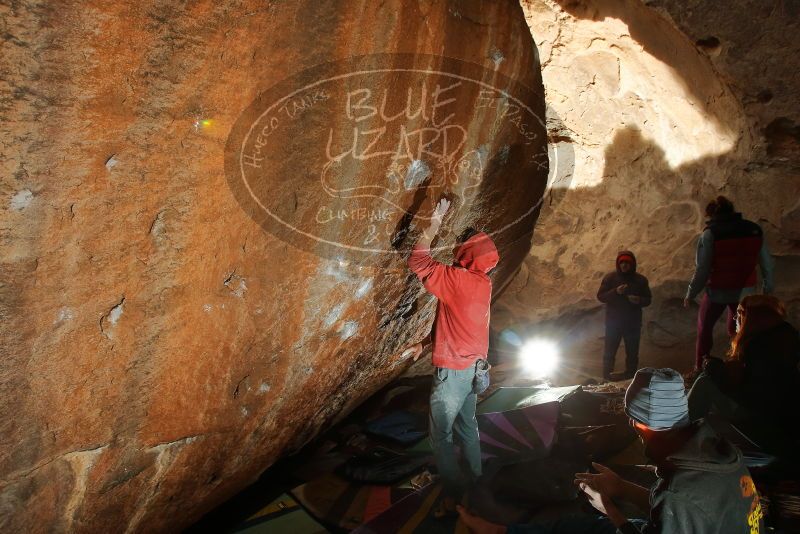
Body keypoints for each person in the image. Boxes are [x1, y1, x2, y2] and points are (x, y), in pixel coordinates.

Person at [457, 368, 765, 533]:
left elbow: (679, 506)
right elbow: (686, 512)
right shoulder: (717, 454)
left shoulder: (681, 490)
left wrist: (611, 509)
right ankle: (499, 531)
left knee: (597, 525)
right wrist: (620, 487)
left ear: (638, 424)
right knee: (580, 526)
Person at [407, 197, 500, 517]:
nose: (457, 247)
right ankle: (475, 478)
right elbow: (457, 318)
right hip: (476, 370)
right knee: (467, 425)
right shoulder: (482, 283)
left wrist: (434, 223)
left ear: (467, 253)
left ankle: (456, 491)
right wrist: (426, 343)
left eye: (461, 244)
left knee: (441, 436)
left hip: (455, 372)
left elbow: (417, 261)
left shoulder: (457, 280)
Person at [688, 295, 800, 454]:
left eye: (739, 313)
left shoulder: (761, 346)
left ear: (752, 317)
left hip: (764, 420)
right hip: (777, 414)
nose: (735, 318)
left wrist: (712, 367)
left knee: (706, 382)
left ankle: (677, 436)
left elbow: (750, 394)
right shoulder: (784, 336)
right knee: (706, 382)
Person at [684, 196, 774, 370]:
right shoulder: (754, 230)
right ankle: (742, 367)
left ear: (710, 214)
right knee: (741, 332)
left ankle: (701, 368)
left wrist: (691, 292)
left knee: (705, 328)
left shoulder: (710, 234)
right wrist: (767, 287)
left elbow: (702, 269)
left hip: (717, 290)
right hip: (745, 292)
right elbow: (767, 263)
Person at [597, 251, 652, 380]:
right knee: (609, 353)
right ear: (618, 263)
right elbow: (601, 296)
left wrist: (638, 300)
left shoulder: (641, 280)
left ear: (632, 264)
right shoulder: (610, 278)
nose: (624, 265)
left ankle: (631, 379)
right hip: (613, 323)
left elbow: (648, 299)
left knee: (632, 354)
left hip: (632, 324)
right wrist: (615, 292)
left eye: (627, 262)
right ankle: (606, 379)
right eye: (621, 262)